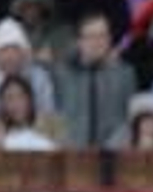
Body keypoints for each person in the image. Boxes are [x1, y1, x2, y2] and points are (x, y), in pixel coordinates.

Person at [53, 12, 139, 148]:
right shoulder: (63, 74)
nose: (97, 42)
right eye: (91, 37)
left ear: (109, 39)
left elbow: (130, 119)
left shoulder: (124, 74)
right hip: (72, 155)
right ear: (80, 41)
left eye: (101, 36)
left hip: (112, 156)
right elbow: (54, 116)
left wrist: (110, 149)